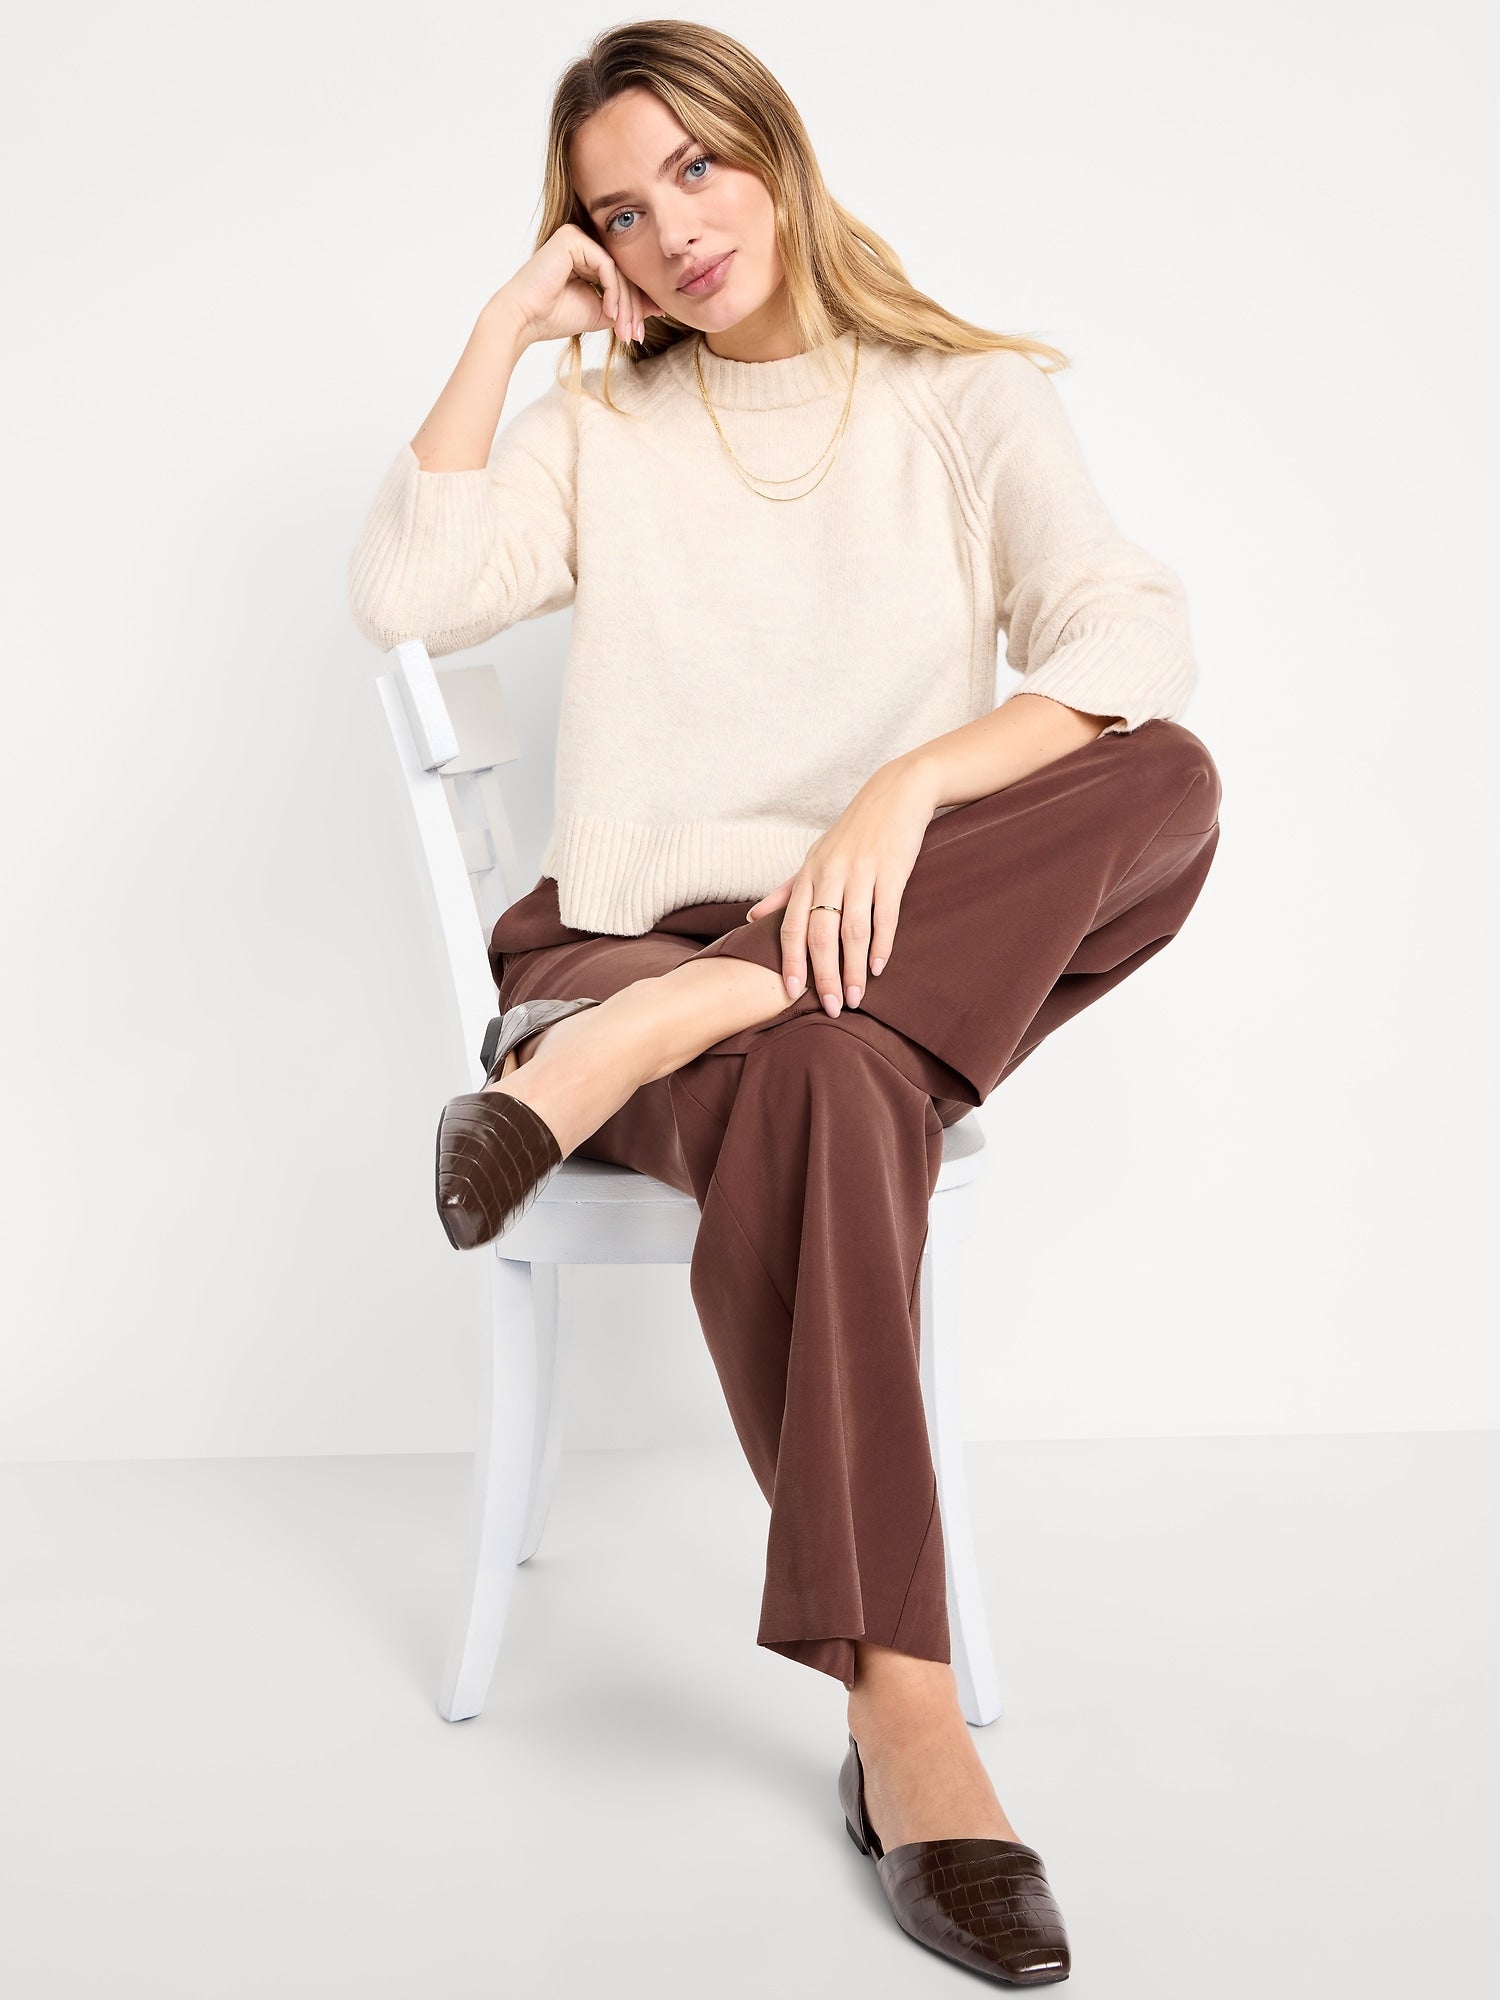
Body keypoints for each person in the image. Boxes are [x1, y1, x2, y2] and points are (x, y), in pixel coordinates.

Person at [347, 19, 1223, 1986]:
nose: (671, 230)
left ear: (776, 150)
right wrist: (506, 327)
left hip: (850, 940)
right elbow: (405, 593)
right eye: (615, 214)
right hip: (620, 945)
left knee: (1163, 778)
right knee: (834, 1077)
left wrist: (906, 789)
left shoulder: (965, 400)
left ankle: (656, 1041)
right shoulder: (601, 425)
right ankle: (909, 1729)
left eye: (696, 169)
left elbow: (1130, 632)